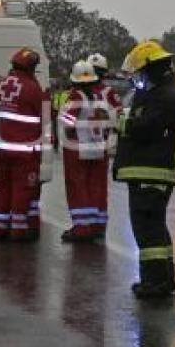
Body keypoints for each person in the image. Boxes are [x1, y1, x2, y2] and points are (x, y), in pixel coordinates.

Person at [114, 41, 175, 299]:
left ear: (151, 68)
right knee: (154, 225)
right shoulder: (162, 92)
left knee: (147, 228)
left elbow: (148, 127)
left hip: (153, 170)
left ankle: (154, 283)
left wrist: (124, 124)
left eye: (140, 72)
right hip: (149, 170)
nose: (137, 78)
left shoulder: (166, 95)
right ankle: (163, 279)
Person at [0, 48, 47, 242]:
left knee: (2, 187)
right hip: (24, 151)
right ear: (31, 67)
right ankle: (19, 229)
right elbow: (44, 118)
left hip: (1, 148)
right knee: (22, 189)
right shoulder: (33, 88)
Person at [59, 60, 112, 242]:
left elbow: (66, 121)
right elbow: (108, 122)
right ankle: (97, 225)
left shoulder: (76, 97)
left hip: (77, 149)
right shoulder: (100, 97)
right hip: (98, 148)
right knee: (96, 187)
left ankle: (82, 227)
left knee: (78, 187)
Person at [87, 52, 122, 231]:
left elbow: (118, 117)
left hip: (96, 144)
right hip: (92, 144)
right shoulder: (107, 92)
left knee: (94, 184)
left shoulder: (106, 92)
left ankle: (95, 222)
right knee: (94, 184)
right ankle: (94, 221)